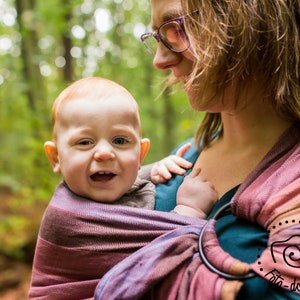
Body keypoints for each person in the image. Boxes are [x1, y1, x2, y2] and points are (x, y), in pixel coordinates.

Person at [136, 0, 300, 299]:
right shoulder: (179, 160)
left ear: (252, 16)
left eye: (176, 30)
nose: (159, 61)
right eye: (158, 37)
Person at [29, 77, 218, 299]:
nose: (104, 153)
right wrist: (190, 210)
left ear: (140, 154)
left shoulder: (116, 180)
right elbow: (152, 258)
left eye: (120, 141)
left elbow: (130, 176)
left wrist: (156, 169)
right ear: (55, 157)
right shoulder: (65, 219)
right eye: (84, 142)